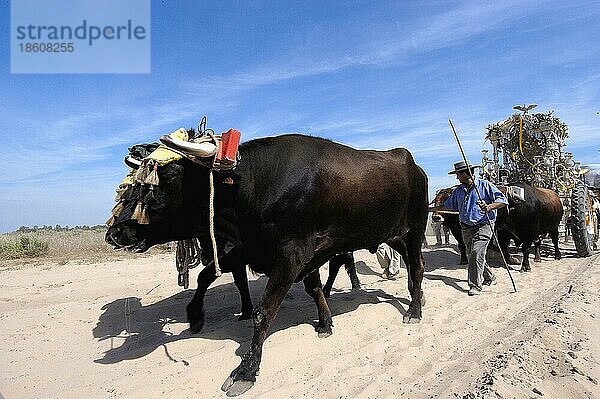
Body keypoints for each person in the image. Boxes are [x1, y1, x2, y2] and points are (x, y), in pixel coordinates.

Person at [431, 161, 508, 296]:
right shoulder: (458, 191)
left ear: (466, 174)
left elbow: (503, 201)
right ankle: (489, 275)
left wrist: (489, 207)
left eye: (458, 175)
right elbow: (448, 206)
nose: (457, 178)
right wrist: (429, 209)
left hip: (484, 225)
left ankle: (475, 285)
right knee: (472, 254)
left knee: (476, 252)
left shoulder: (485, 186)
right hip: (466, 227)